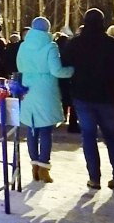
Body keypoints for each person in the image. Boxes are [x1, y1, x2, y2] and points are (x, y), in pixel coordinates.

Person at [60, 8, 114, 191]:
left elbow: (64, 62)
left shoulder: (76, 43)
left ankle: (94, 178)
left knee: (88, 137)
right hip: (107, 96)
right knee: (112, 138)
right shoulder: (113, 43)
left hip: (82, 95)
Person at [15, 18, 74, 183]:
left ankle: (34, 165)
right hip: (46, 90)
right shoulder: (50, 46)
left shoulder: (23, 45)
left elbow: (19, 66)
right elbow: (57, 70)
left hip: (28, 87)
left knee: (32, 129)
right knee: (46, 130)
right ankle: (44, 167)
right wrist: (71, 71)